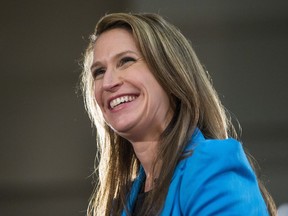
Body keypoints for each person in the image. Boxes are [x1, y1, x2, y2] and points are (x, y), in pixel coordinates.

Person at [81, 12, 276, 216]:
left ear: (169, 73)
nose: (109, 82)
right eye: (99, 72)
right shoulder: (119, 205)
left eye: (126, 61)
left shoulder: (213, 165)